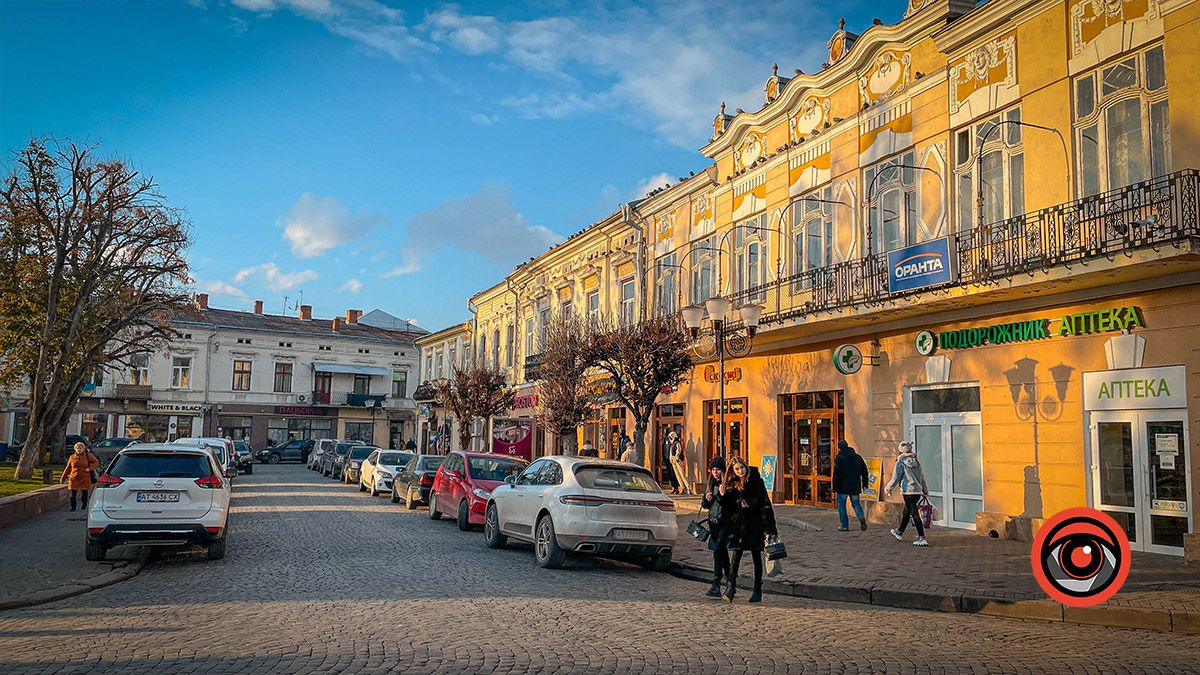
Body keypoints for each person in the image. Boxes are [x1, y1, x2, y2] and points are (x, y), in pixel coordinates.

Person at [719, 455, 775, 603]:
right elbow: (730, 508)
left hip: (755, 523)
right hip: (739, 525)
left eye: (742, 467)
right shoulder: (732, 484)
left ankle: (757, 590)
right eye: (737, 469)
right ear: (733, 470)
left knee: (756, 557)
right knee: (736, 556)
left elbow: (765, 504)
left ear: (746, 466)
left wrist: (771, 529)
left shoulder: (757, 481)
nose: (740, 471)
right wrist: (723, 497)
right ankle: (731, 587)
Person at [885, 441, 930, 546]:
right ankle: (899, 531)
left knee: (914, 513)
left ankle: (922, 537)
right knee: (907, 511)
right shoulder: (917, 461)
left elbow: (896, 477)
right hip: (917, 491)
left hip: (908, 491)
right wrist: (925, 490)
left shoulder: (900, 462)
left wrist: (888, 488)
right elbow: (921, 477)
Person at [700, 456, 731, 598]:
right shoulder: (710, 484)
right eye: (713, 470)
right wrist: (706, 500)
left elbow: (731, 505)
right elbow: (705, 505)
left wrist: (722, 496)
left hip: (726, 523)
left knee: (719, 551)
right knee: (719, 553)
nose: (715, 472)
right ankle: (730, 581)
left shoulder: (729, 485)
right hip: (713, 524)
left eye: (717, 469)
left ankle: (716, 582)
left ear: (723, 470)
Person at [832, 439, 869, 531]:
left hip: (842, 486)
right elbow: (864, 471)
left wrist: (834, 486)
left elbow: (836, 473)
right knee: (856, 504)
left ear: (839, 447)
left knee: (842, 506)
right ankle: (861, 517)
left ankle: (844, 526)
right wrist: (865, 483)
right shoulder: (857, 457)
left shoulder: (840, 457)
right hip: (855, 485)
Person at [60, 442, 100, 512]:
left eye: (80, 448)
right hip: (74, 478)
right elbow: (68, 468)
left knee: (84, 492)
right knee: (73, 494)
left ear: (83, 449)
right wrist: (62, 478)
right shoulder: (72, 457)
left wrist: (90, 468)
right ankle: (73, 507)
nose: (79, 450)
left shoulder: (88, 455)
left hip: (84, 477)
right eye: (77, 448)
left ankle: (84, 504)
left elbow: (96, 462)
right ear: (75, 449)